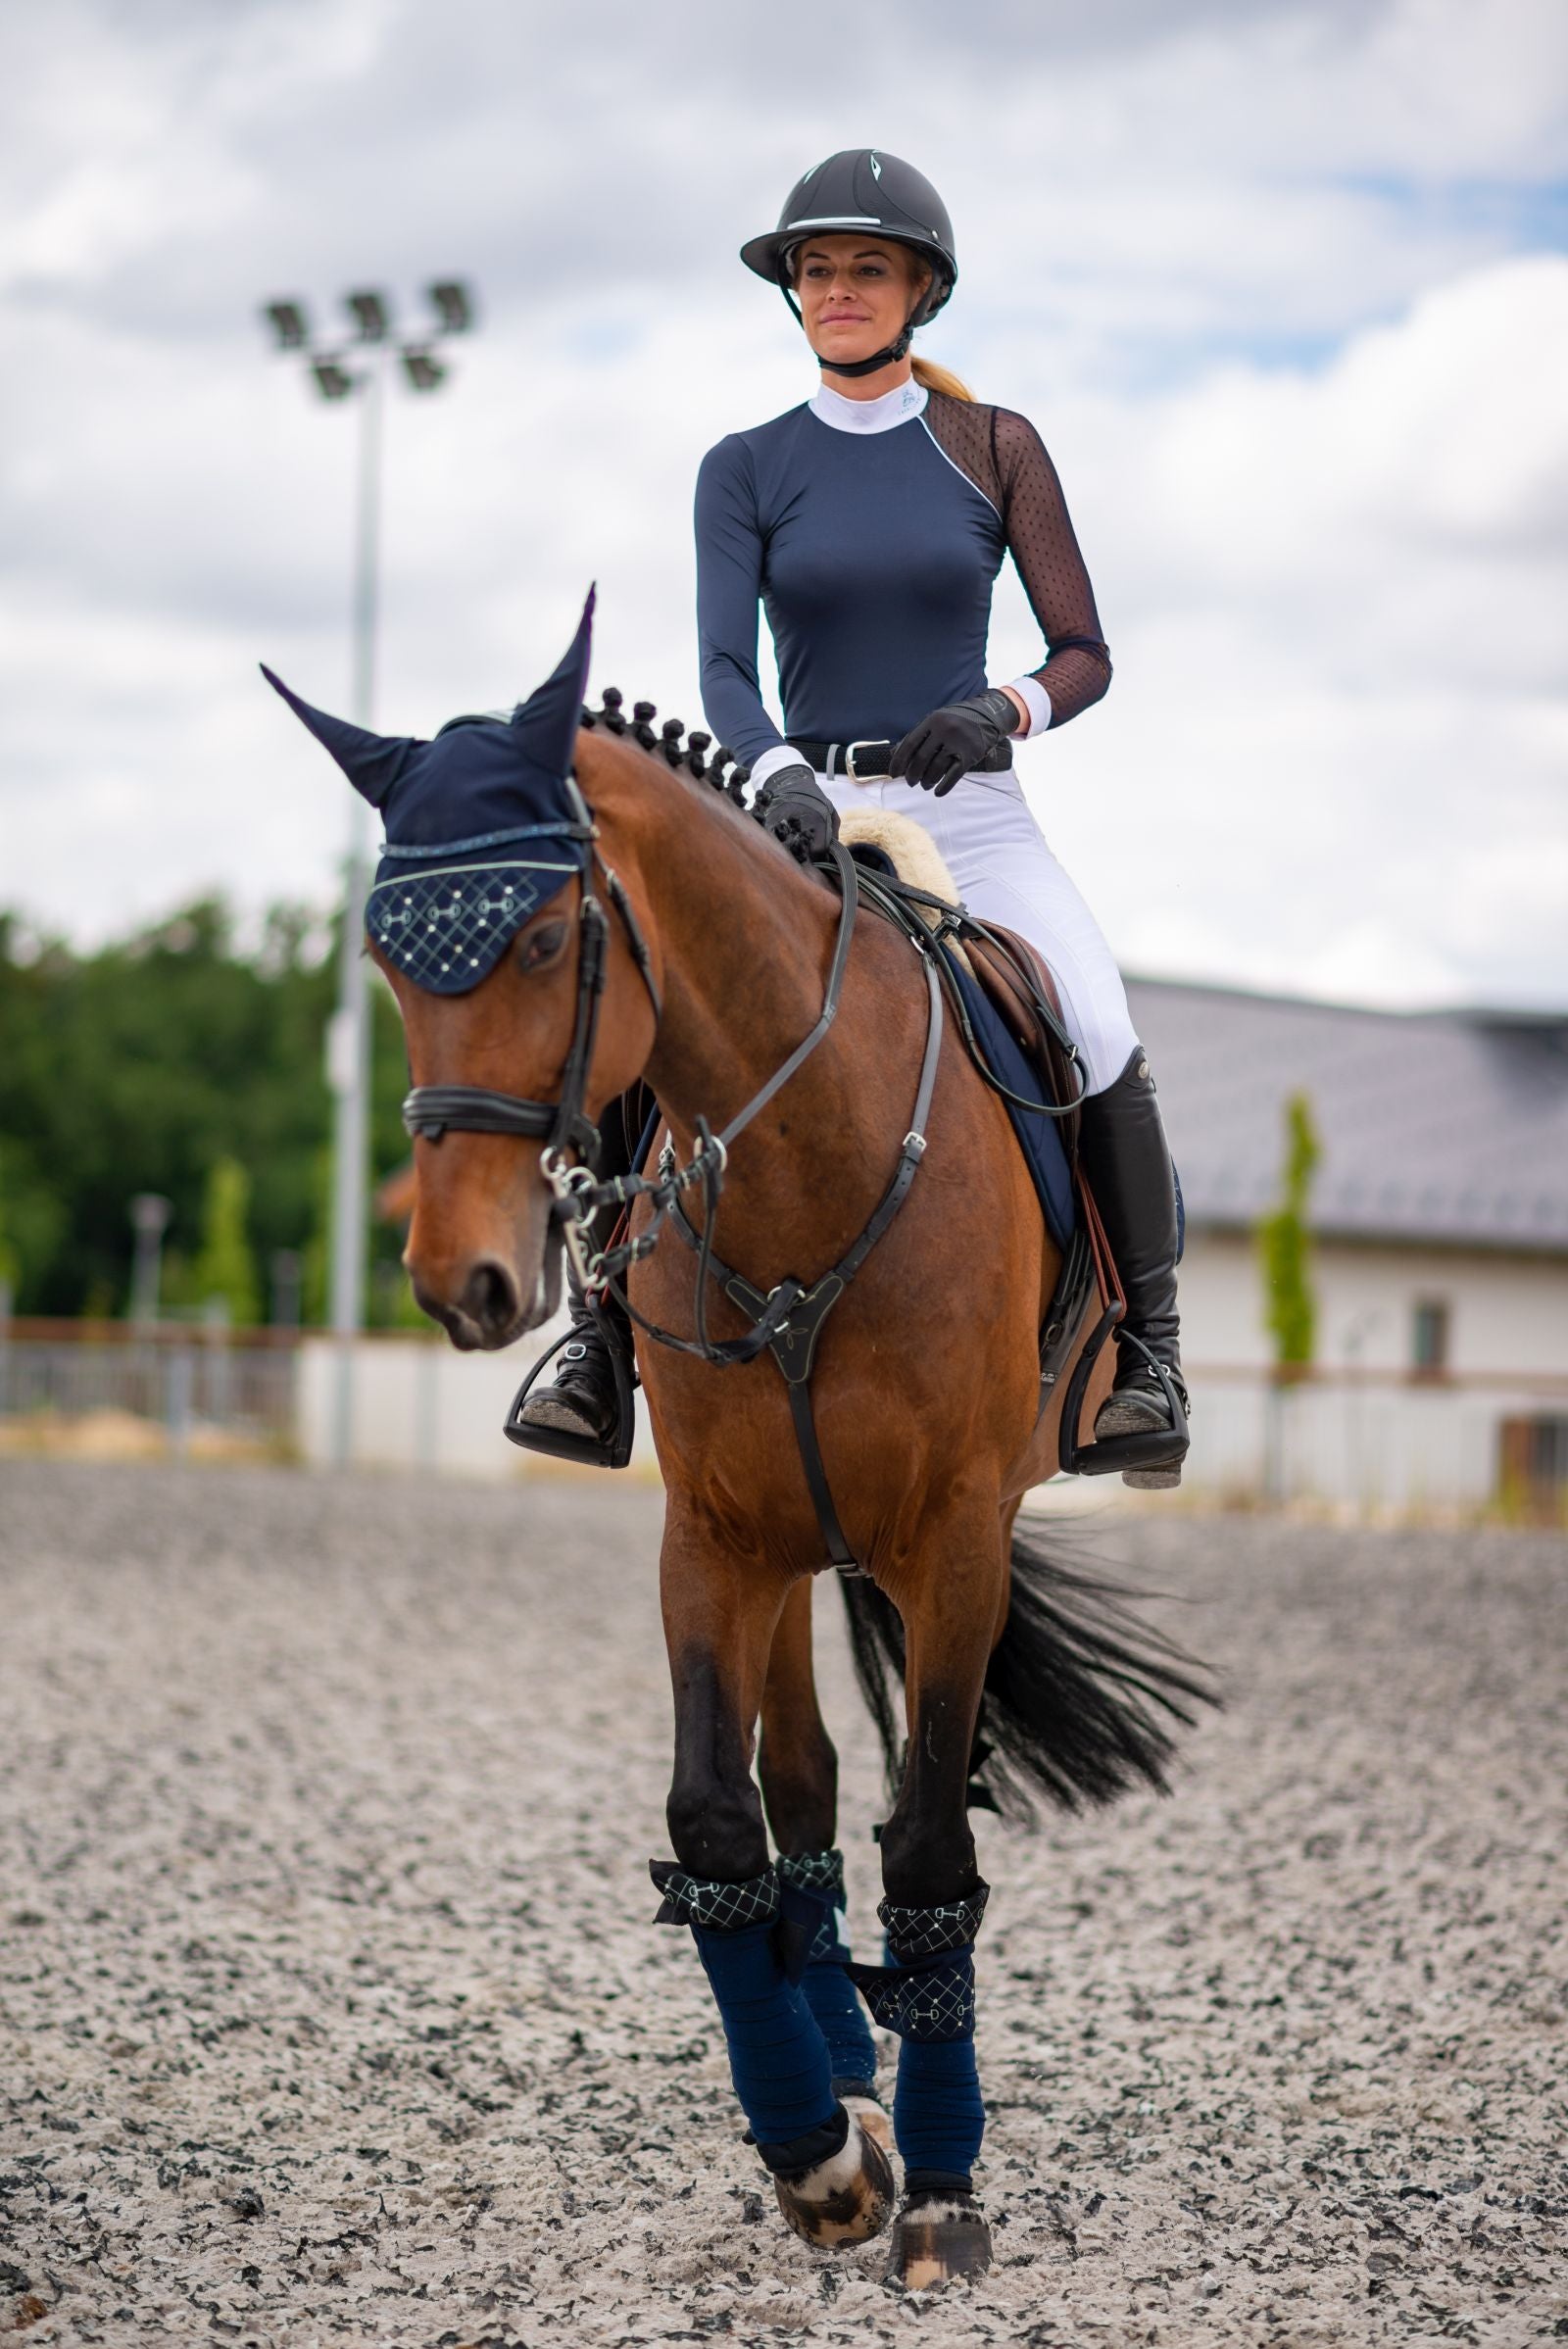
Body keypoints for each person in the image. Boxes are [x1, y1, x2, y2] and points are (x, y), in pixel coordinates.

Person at [517, 148, 1186, 1486]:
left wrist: (1004, 710)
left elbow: (1085, 651)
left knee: (1100, 1019)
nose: (838, 289)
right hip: (797, 801)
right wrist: (777, 776)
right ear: (793, 293)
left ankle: (1149, 1353)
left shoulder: (996, 445)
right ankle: (598, 1339)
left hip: (971, 811)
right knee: (653, 1011)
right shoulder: (746, 465)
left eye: (865, 268)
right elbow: (721, 665)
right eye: (816, 271)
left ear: (921, 289)